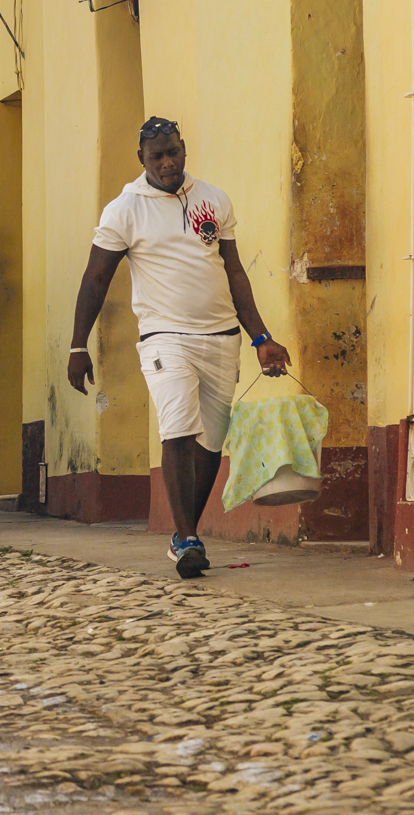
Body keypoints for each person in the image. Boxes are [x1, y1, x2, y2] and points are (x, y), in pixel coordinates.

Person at [68, 117, 290, 579]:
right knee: (178, 430)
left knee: (210, 444)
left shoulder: (214, 199)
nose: (167, 163)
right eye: (157, 157)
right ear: (142, 160)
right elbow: (95, 279)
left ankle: (182, 533)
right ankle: (188, 538)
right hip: (164, 337)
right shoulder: (124, 210)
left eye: (173, 152)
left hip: (221, 338)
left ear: (184, 148)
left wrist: (261, 337)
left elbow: (234, 273)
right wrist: (77, 345)